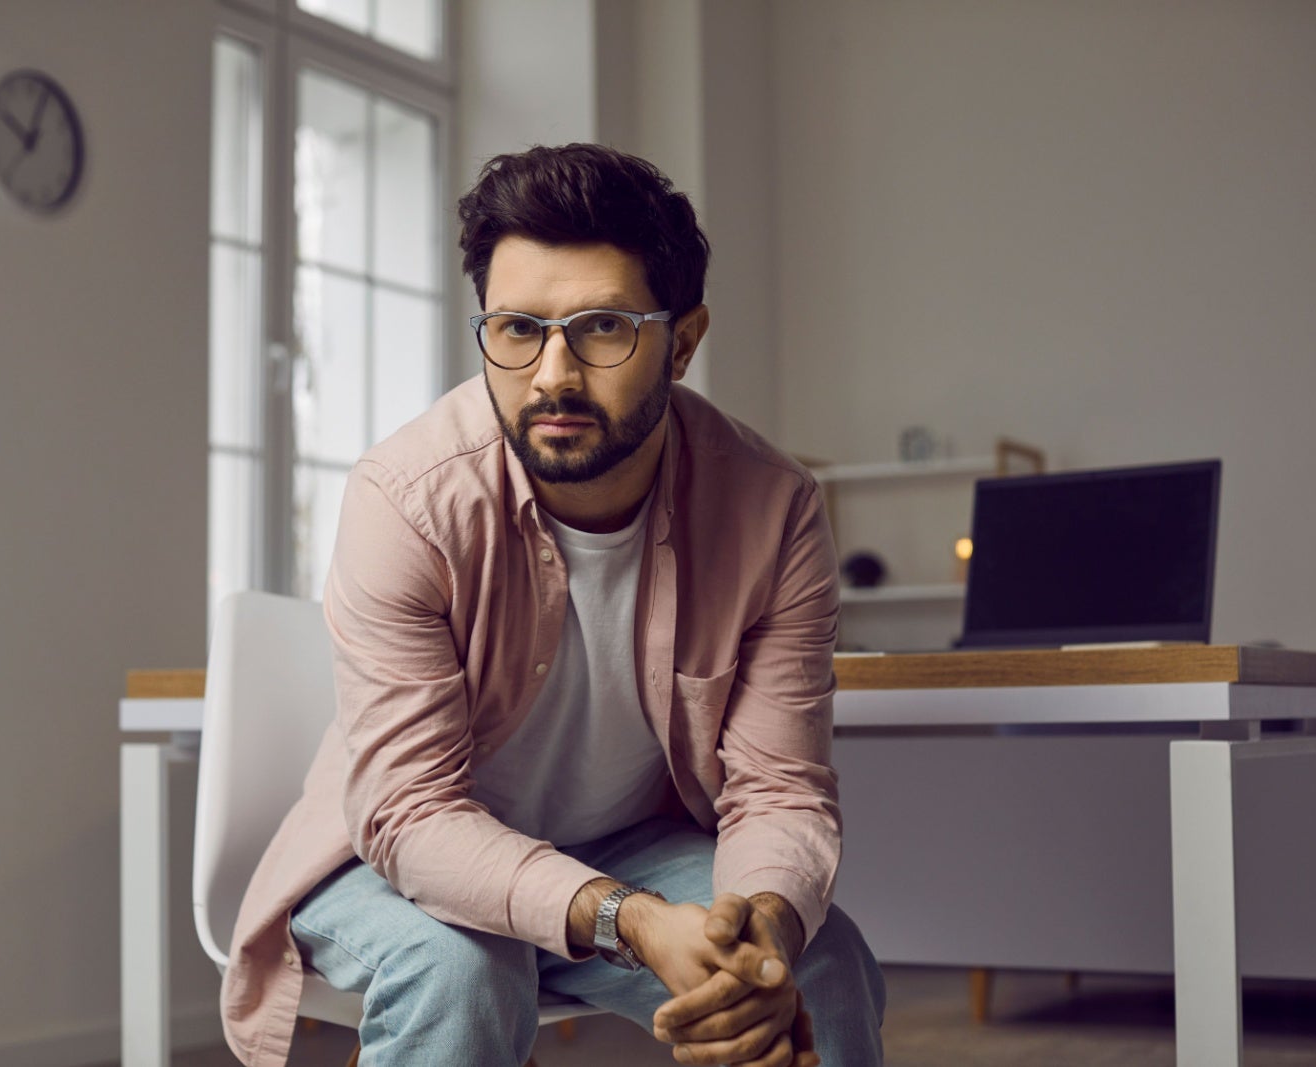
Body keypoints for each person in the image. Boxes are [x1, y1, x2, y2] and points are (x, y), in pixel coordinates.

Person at [220, 143, 885, 1067]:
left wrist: (761, 934)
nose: (552, 375)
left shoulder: (773, 507)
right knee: (461, 971)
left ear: (682, 342)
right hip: (387, 859)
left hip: (627, 845)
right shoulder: (406, 496)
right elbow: (410, 812)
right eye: (518, 328)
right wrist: (628, 919)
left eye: (603, 328)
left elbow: (779, 786)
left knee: (820, 963)